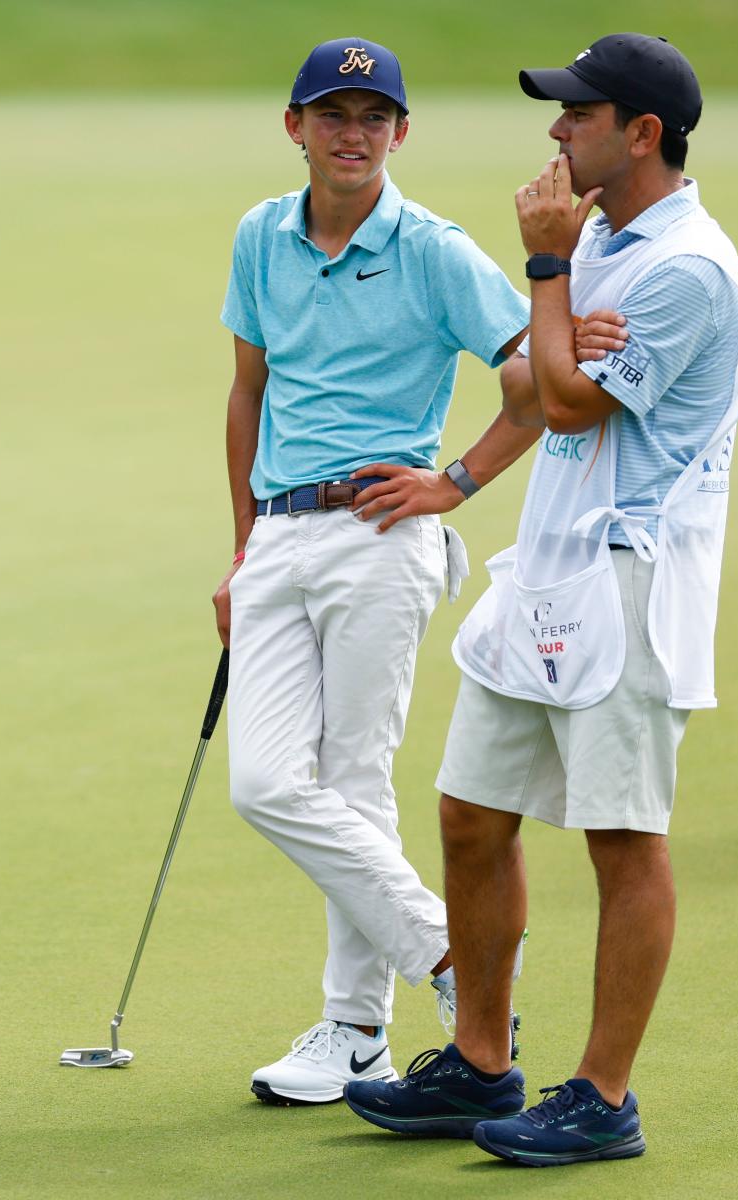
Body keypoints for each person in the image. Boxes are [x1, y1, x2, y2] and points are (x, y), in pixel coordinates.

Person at [344, 32, 738, 1161]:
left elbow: (575, 404)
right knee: (471, 815)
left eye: (578, 113)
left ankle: (605, 1095)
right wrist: (475, 458)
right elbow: (536, 382)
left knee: (625, 838)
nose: (554, 128)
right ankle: (482, 1063)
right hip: (546, 570)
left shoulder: (686, 266)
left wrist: (545, 274)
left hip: (634, 579)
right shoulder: (606, 239)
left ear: (642, 133)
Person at [213, 36, 539, 1106]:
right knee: (266, 782)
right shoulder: (262, 235)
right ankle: (450, 953)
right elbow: (248, 392)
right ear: (295, 127)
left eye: (373, 117)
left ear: (400, 133)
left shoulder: (436, 250)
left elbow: (533, 383)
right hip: (279, 540)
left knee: (354, 781)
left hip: (380, 538)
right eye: (331, 113)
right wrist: (241, 542)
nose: (352, 134)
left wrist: (455, 481)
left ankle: (353, 1037)